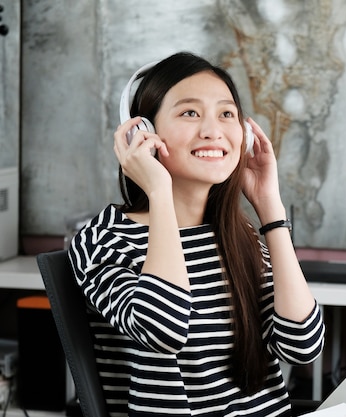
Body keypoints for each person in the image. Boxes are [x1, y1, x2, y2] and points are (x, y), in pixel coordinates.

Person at [68, 51, 325, 416]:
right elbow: (162, 330)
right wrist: (159, 193)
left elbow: (302, 346)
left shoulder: (241, 237)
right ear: (143, 132)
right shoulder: (105, 240)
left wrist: (270, 209)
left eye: (226, 114)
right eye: (190, 112)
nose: (212, 130)